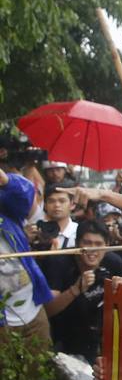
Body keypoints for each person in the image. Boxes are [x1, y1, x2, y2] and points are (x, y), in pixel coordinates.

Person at [44, 220, 122, 360]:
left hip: (99, 339)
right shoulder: (58, 262)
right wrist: (75, 290)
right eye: (87, 243)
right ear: (77, 243)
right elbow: (47, 310)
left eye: (98, 244)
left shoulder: (114, 263)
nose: (92, 250)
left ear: (107, 245)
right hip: (62, 338)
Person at [0, 141, 52, 347]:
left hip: (31, 308)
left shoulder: (5, 208)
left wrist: (5, 180)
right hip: (4, 321)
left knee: (41, 370)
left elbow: (25, 195)